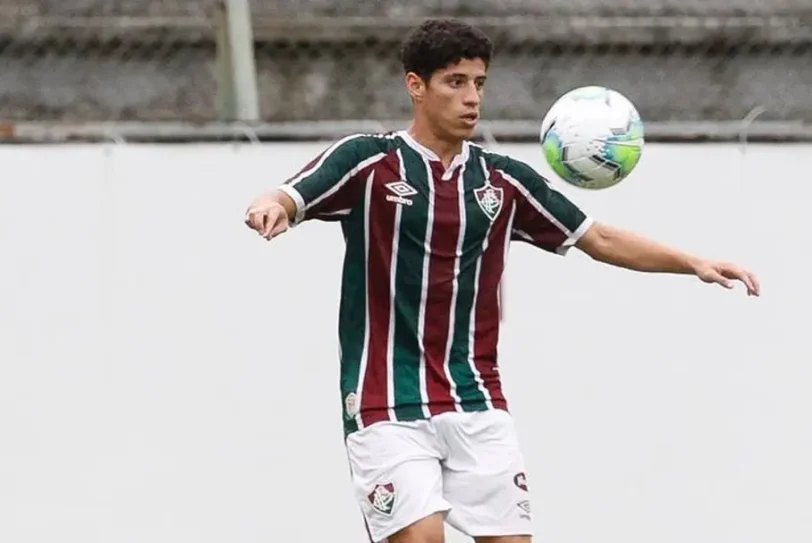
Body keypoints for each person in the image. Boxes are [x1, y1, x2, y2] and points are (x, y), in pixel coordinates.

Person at [244, 17, 760, 543]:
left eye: (480, 83)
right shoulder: (370, 161)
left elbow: (596, 238)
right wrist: (272, 206)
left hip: (475, 398)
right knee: (422, 539)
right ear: (415, 86)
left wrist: (693, 262)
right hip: (384, 401)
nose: (472, 98)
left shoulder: (503, 181)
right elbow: (292, 194)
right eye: (456, 82)